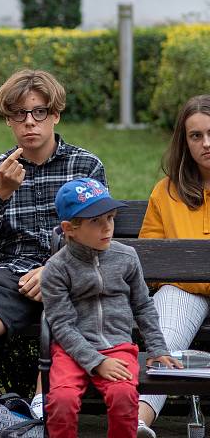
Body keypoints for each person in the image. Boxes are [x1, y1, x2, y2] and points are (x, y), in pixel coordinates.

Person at [0, 69, 106, 417]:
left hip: (71, 274)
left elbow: (99, 239)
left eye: (39, 112)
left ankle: (41, 409)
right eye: (19, 114)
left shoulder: (85, 166)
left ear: (55, 115)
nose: (30, 122)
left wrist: (53, 270)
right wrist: (0, 194)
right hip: (12, 275)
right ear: (9, 121)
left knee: (69, 311)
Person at [42, 178, 179, 438]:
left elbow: (143, 305)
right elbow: (61, 325)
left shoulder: (126, 257)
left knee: (124, 396)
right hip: (72, 351)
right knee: (61, 401)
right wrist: (97, 362)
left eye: (111, 217)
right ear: (69, 228)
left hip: (118, 346)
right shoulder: (57, 269)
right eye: (96, 221)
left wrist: (158, 348)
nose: (108, 227)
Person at [136, 94, 210, 438]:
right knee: (163, 332)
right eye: (196, 136)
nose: (206, 143)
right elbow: (150, 260)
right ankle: (137, 421)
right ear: (185, 141)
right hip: (184, 290)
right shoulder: (166, 192)